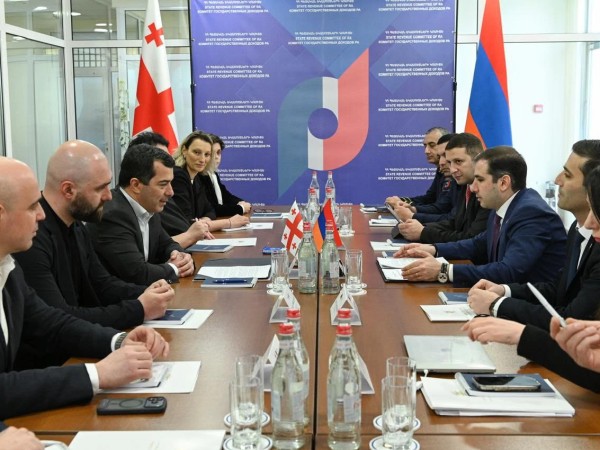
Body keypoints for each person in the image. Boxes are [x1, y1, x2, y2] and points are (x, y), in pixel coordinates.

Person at [0, 156, 169, 419]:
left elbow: (51, 322)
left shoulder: (8, 268)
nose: (41, 214)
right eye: (32, 207)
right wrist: (97, 374)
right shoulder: (26, 254)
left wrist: (118, 341)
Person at [12, 141, 174, 369]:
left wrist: (148, 293)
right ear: (68, 190)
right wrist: (138, 308)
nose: (109, 196)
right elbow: (59, 318)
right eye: (101, 188)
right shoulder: (30, 240)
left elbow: (101, 283)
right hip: (51, 365)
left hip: (72, 356)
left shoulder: (76, 225)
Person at [467, 140, 600, 328]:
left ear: (593, 186)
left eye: (567, 175)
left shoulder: (531, 211)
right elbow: (557, 289)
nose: (557, 180)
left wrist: (497, 305)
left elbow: (571, 320)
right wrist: (504, 291)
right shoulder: (577, 230)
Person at [394, 146, 567, 286]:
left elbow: (509, 271)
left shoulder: (531, 213)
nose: (473, 187)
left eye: (480, 180)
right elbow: (478, 244)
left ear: (503, 183)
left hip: (531, 309)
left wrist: (444, 270)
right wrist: (433, 249)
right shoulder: (503, 206)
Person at [87, 144, 194, 285]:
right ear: (136, 185)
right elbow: (137, 273)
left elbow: (167, 244)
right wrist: (175, 268)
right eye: (163, 184)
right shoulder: (112, 215)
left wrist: (180, 256)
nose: (170, 192)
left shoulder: (148, 206)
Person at [393, 132, 490, 243]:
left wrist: (422, 230)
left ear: (478, 159)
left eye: (458, 161)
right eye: (450, 162)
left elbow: (472, 239)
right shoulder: (465, 184)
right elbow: (454, 222)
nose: (452, 169)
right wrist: (420, 227)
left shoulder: (487, 190)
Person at [128, 132, 214, 247]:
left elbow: (165, 242)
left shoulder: (154, 204)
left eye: (207, 154)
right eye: (163, 184)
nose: (170, 192)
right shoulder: (119, 213)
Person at [172, 131, 249, 231]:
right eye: (197, 152)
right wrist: (228, 223)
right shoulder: (177, 176)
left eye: (207, 154)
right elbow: (186, 223)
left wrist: (204, 221)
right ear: (184, 151)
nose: (202, 159)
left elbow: (210, 211)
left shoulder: (196, 178)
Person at [386, 126, 457, 223]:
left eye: (432, 145)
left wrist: (413, 213)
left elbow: (443, 209)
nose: (426, 151)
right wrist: (402, 201)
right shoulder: (441, 170)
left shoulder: (455, 175)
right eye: (425, 146)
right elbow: (429, 198)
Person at [201, 133, 252, 216]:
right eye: (211, 153)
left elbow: (226, 196)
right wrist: (241, 208)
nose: (216, 157)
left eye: (218, 152)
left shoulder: (213, 174)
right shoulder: (199, 176)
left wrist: (241, 202)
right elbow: (212, 209)